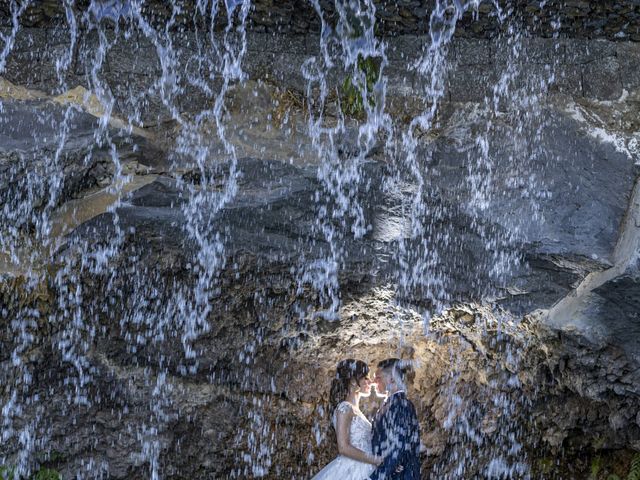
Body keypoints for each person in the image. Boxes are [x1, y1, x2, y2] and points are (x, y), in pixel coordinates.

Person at [311, 359, 382, 480]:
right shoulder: (345, 407)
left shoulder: (355, 409)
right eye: (365, 378)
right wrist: (376, 460)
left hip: (365, 466)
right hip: (353, 470)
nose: (370, 382)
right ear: (353, 381)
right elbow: (343, 447)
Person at [369, 358, 421, 480]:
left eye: (378, 378)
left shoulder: (401, 404)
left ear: (392, 379)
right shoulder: (390, 403)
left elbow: (399, 445)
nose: (373, 382)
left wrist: (375, 477)